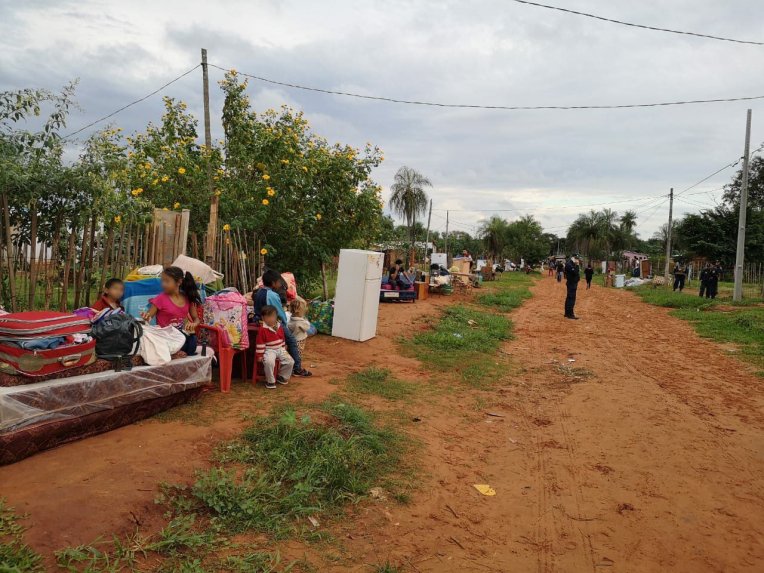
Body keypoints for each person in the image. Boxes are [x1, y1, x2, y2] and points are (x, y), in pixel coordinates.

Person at [254, 269, 312, 377]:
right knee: (292, 341)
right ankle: (297, 368)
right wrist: (284, 323)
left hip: (259, 321)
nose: (280, 283)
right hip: (272, 322)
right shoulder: (272, 295)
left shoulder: (258, 292)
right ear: (273, 283)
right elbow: (279, 313)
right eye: (278, 281)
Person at [141, 266, 200, 356]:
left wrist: (193, 324)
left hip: (182, 337)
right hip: (167, 338)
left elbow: (196, 319)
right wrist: (146, 317)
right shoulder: (160, 299)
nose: (163, 284)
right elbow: (148, 317)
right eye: (162, 281)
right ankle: (175, 354)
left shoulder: (187, 297)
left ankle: (178, 353)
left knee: (192, 340)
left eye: (167, 281)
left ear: (179, 282)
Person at [255, 305, 294, 389]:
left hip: (280, 348)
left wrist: (283, 347)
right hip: (269, 350)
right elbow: (260, 343)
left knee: (290, 361)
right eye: (268, 317)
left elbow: (282, 337)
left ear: (276, 316)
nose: (271, 319)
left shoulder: (279, 326)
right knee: (269, 362)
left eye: (273, 316)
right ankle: (270, 381)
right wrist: (260, 355)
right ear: (263, 318)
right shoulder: (262, 329)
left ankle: (282, 376)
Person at [288, 297, 316, 362]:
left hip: (293, 340)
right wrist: (305, 319)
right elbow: (308, 327)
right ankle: (297, 366)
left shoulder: (291, 319)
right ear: (298, 311)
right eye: (303, 310)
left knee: (293, 354)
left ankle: (294, 365)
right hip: (299, 341)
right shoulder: (300, 322)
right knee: (298, 355)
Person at [564, 254, 581, 319]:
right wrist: (577, 265)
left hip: (573, 283)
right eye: (576, 258)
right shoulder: (569, 264)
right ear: (573, 258)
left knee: (569, 298)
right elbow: (575, 272)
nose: (577, 260)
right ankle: (570, 314)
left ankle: (567, 313)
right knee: (571, 299)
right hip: (571, 283)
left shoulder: (571, 264)